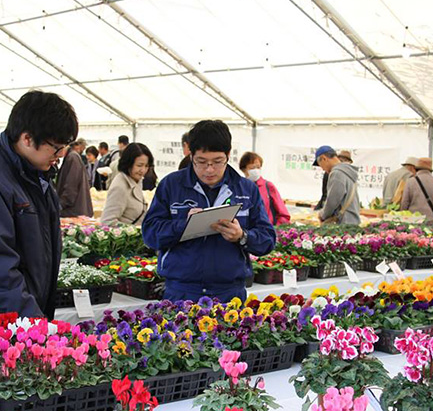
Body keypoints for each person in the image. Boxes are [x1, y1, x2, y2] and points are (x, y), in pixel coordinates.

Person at [0, 90, 77, 322]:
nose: (60, 155)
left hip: (17, 313)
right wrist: (34, 321)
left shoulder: (33, 172)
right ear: (27, 139)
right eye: (56, 147)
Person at [142, 120, 276, 303]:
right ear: (190, 155)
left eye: (217, 162)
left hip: (229, 293)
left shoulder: (246, 189)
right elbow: (150, 234)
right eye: (201, 162)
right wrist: (184, 225)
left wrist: (242, 236)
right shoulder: (171, 185)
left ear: (228, 155)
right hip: (181, 291)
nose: (209, 169)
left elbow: (267, 239)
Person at [101, 143, 152, 226]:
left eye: (146, 166)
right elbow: (107, 221)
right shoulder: (120, 186)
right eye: (139, 165)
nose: (143, 170)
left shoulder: (136, 180)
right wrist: (132, 231)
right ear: (128, 163)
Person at [239, 151, 291, 226]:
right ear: (244, 169)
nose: (256, 170)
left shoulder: (268, 186)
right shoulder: (240, 187)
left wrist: (275, 229)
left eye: (258, 167)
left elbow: (283, 214)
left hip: (266, 232)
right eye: (252, 168)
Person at [314, 146, 360, 225]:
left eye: (320, 164)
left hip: (344, 222)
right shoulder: (347, 171)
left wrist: (322, 214)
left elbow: (332, 201)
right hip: (352, 220)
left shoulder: (337, 173)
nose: (322, 169)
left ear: (324, 158)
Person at [56, 139, 93, 217]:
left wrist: (59, 205)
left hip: (74, 212)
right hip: (74, 211)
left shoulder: (72, 157)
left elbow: (71, 187)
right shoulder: (71, 157)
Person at [400, 157, 433, 221]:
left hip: (413, 220)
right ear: (430, 170)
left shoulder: (410, 181)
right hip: (431, 220)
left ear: (417, 169)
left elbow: (405, 202)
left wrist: (403, 216)